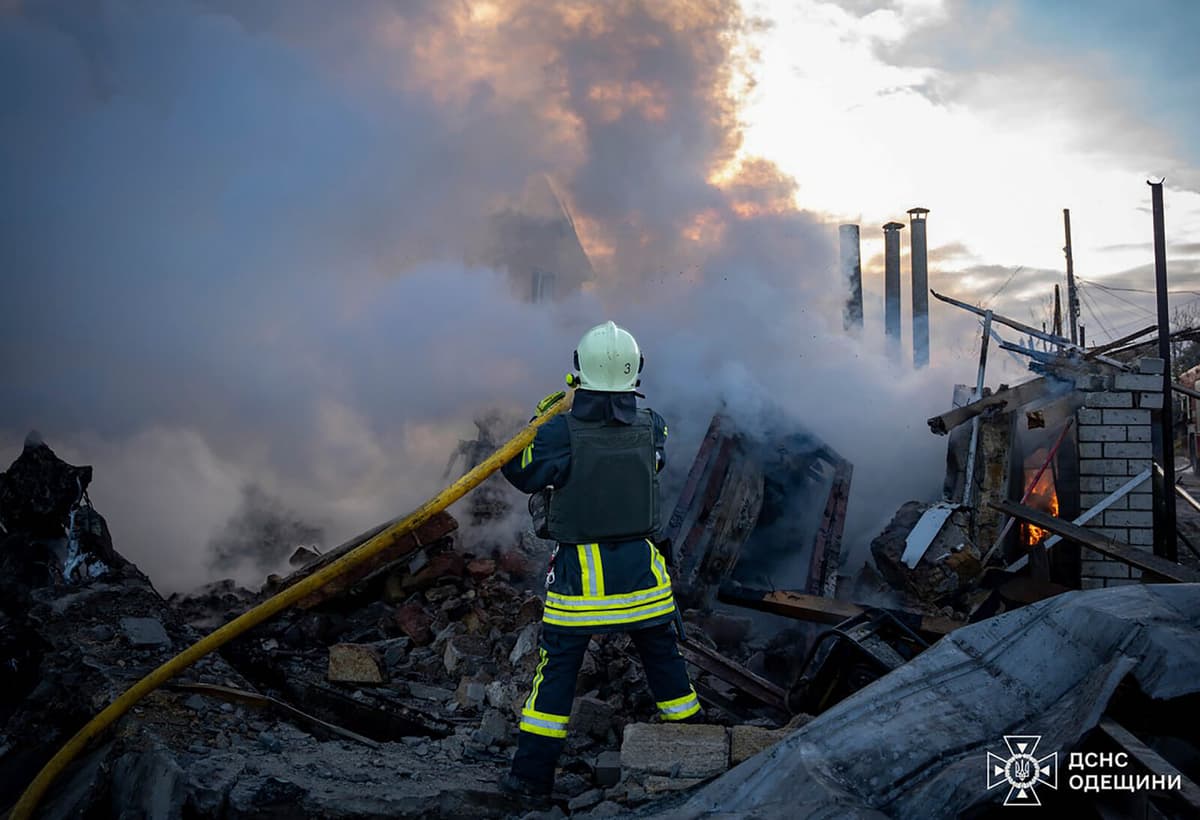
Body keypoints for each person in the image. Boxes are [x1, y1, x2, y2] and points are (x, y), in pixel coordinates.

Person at [499, 320, 702, 800]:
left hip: (582, 584)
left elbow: (518, 471)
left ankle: (530, 781)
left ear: (577, 371)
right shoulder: (652, 424)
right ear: (636, 373)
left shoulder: (559, 433)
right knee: (666, 665)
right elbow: (652, 463)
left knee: (556, 678)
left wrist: (540, 419)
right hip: (644, 580)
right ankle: (697, 748)